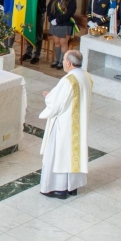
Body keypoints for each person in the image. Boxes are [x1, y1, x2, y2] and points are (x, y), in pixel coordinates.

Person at [38, 50, 92, 199]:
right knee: (73, 153)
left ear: (69, 63)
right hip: (79, 122)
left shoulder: (68, 80)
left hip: (65, 123)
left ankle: (59, 188)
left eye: (63, 61)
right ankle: (72, 186)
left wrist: (49, 97)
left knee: (60, 154)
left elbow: (55, 103)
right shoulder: (86, 76)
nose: (63, 64)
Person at [20, 0, 50, 64]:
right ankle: (28, 52)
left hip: (38, 11)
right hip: (28, 10)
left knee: (37, 33)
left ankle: (36, 54)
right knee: (28, 30)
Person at [46, 0, 77, 69]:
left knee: (63, 43)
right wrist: (51, 18)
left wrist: (58, 20)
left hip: (65, 23)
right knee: (56, 42)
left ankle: (62, 61)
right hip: (55, 23)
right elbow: (49, 8)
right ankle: (56, 60)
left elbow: (69, 13)